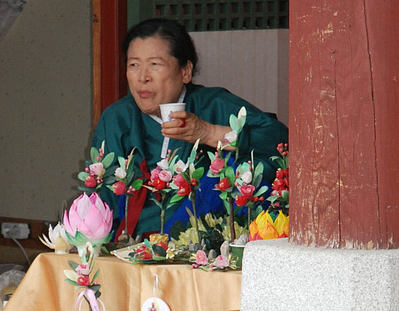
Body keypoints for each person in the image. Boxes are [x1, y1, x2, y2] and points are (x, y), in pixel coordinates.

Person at [92, 18, 288, 237]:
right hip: (131, 246)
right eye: (133, 65)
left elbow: (281, 141)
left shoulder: (214, 105)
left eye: (155, 64)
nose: (143, 77)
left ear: (185, 71)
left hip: (202, 246)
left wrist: (209, 133)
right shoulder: (117, 118)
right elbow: (102, 200)